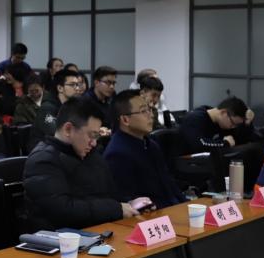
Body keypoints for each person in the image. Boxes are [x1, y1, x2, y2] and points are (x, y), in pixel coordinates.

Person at [23, 98, 139, 231]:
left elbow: (110, 194)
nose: (94, 143)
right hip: (63, 239)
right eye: (91, 135)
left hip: (100, 231)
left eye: (97, 136)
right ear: (68, 129)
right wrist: (116, 209)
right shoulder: (42, 161)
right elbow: (64, 211)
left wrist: (130, 204)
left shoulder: (90, 154)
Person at [104, 90, 184, 208]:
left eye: (149, 109)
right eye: (143, 111)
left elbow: (168, 183)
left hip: (171, 208)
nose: (151, 115)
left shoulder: (151, 144)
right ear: (125, 120)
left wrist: (185, 204)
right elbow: (129, 201)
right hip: (152, 214)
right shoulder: (117, 154)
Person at [31, 69, 86, 148]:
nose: (77, 88)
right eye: (72, 85)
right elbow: (57, 134)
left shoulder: (72, 107)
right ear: (60, 88)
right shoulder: (47, 108)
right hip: (43, 151)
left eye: (77, 85)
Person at [178, 97, 252, 153]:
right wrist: (224, 143)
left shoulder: (220, 122)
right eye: (233, 123)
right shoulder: (194, 119)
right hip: (186, 163)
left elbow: (239, 140)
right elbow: (199, 145)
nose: (233, 127)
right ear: (223, 112)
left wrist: (248, 123)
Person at [82, 65, 118, 131]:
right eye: (108, 83)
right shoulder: (86, 101)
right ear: (96, 83)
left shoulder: (112, 96)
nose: (112, 86)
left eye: (113, 83)